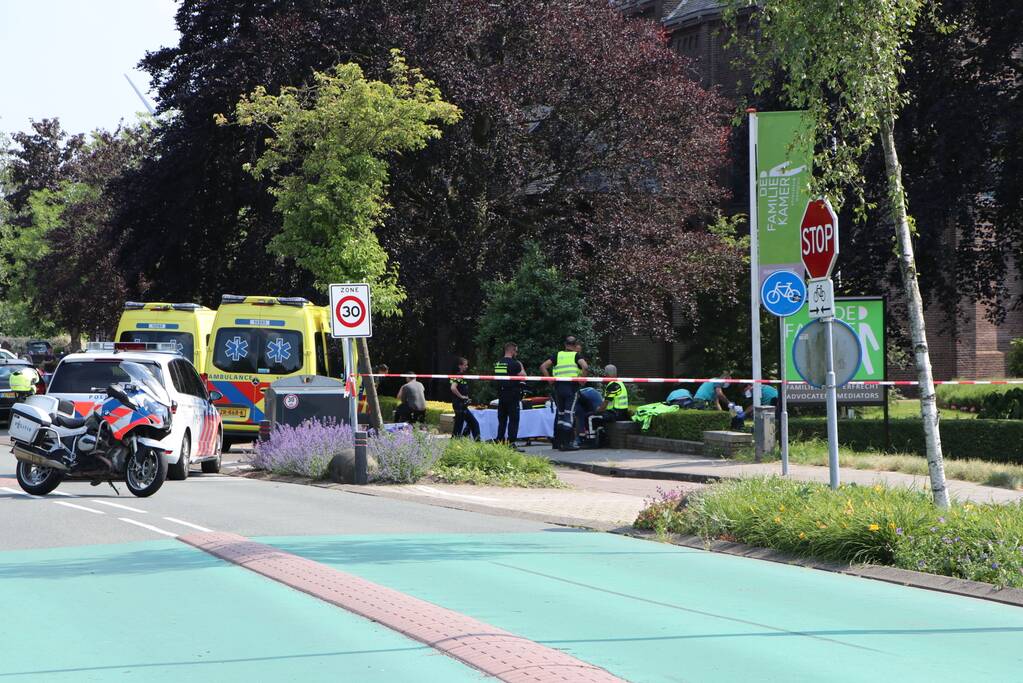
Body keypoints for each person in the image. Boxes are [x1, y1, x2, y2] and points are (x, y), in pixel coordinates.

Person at [539, 336, 588, 450]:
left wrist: (549, 380)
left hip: (558, 388)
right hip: (571, 387)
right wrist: (582, 380)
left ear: (565, 345)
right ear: (575, 345)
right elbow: (585, 367)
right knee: (569, 414)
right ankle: (567, 443)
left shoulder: (557, 355)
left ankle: (558, 442)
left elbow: (543, 366)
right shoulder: (576, 355)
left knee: (560, 414)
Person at [493, 342, 526, 445]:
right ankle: (511, 443)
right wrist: (521, 365)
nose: (517, 353)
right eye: (516, 351)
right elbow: (523, 376)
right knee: (513, 420)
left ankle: (499, 440)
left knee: (502, 420)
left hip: (501, 395)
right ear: (511, 351)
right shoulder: (515, 364)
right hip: (512, 394)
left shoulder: (498, 363)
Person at [450, 357, 480, 440]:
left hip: (461, 405)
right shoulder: (458, 375)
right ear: (460, 366)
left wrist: (465, 397)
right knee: (473, 424)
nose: (467, 367)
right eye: (465, 365)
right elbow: (453, 388)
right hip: (459, 405)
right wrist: (462, 397)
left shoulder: (459, 375)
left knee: (460, 426)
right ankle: (478, 444)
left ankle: (457, 442)